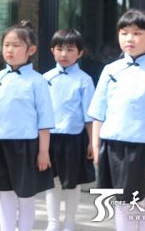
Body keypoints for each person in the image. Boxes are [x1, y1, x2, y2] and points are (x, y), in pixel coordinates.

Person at [88, 9, 145, 231]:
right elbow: (98, 112)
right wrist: (96, 146)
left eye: (137, 33)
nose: (129, 38)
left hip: (144, 149)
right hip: (112, 148)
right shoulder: (110, 70)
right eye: (124, 32)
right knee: (122, 206)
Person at [0, 21, 55, 231]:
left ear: (31, 50)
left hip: (26, 147)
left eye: (16, 45)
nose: (10, 50)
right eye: (6, 45)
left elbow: (45, 121)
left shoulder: (37, 81)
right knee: (5, 195)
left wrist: (43, 152)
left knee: (26, 195)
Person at [43, 29, 95, 231]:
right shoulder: (45, 79)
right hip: (50, 138)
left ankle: (69, 223)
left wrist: (92, 141)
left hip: (74, 139)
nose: (64, 54)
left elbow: (89, 115)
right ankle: (53, 222)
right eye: (59, 49)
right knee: (52, 181)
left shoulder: (84, 80)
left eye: (70, 49)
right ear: (52, 51)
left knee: (72, 183)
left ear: (80, 53)